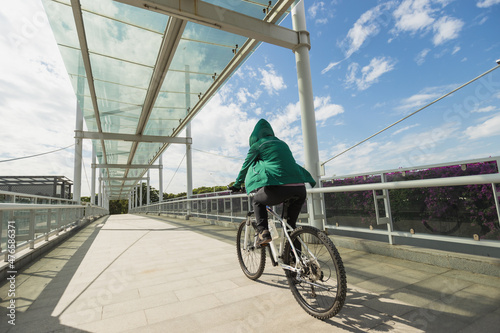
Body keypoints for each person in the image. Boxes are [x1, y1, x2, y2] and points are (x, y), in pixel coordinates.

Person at [229, 119, 316, 246]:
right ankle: (297, 260)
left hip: (279, 188)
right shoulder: (283, 143)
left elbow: (245, 166)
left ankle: (262, 232)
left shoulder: (257, 145)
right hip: (300, 188)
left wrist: (237, 185)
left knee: (257, 201)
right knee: (290, 227)